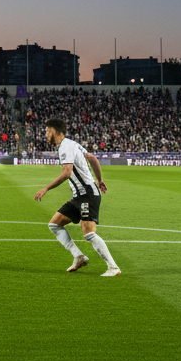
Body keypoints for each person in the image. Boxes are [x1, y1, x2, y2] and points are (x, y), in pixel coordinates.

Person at [34, 118, 121, 277]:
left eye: (47, 131)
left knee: (88, 233)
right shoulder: (73, 144)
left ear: (55, 131)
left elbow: (67, 172)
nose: (45, 134)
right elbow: (92, 159)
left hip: (87, 193)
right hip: (79, 195)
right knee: (54, 224)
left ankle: (113, 267)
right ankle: (79, 256)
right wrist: (100, 180)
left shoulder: (65, 146)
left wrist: (46, 188)